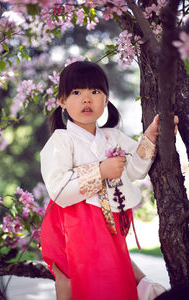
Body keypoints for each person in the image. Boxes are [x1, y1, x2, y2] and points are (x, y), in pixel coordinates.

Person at [40, 61, 177, 300]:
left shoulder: (112, 136)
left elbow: (135, 169)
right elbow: (59, 191)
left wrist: (151, 136)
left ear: (105, 99)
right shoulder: (61, 140)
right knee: (88, 281)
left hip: (110, 219)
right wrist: (100, 172)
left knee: (114, 277)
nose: (86, 99)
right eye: (76, 92)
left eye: (95, 92)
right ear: (62, 101)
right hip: (75, 221)